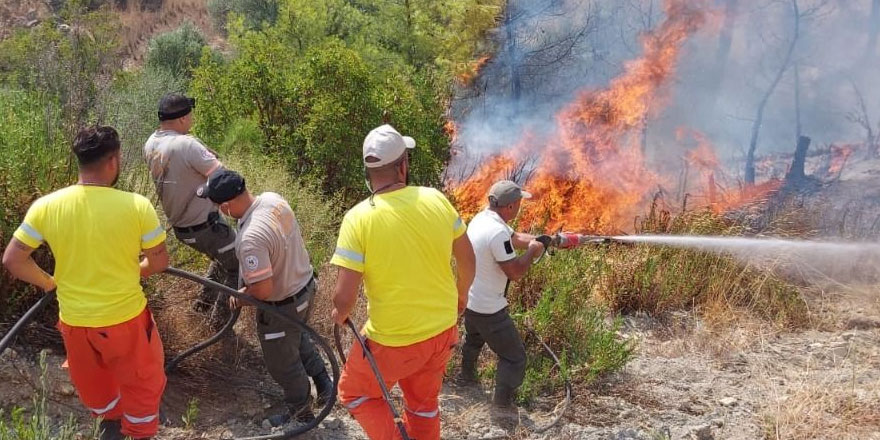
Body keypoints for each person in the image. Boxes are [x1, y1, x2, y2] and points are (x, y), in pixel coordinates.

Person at [2, 126, 170, 440]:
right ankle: (139, 432)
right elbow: (159, 262)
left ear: (80, 161)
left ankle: (110, 424)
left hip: (76, 325)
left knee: (96, 386)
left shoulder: (46, 206)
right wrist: (128, 271)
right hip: (126, 322)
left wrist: (49, 282)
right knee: (143, 383)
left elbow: (13, 260)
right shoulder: (136, 206)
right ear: (113, 161)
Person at [330, 124, 476, 440]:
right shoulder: (436, 199)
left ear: (368, 172)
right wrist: (461, 295)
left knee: (355, 392)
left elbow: (344, 298)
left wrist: (339, 315)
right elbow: (467, 259)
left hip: (392, 340)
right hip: (441, 330)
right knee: (423, 403)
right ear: (403, 165)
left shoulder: (358, 218)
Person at [195, 169, 333, 424]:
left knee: (282, 360)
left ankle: (301, 410)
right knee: (297, 335)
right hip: (304, 287)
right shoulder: (273, 199)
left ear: (225, 205)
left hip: (282, 304)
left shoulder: (251, 239)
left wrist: (242, 295)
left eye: (216, 204)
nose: (215, 209)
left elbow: (263, 289)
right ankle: (325, 385)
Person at [143, 93, 237, 328]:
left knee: (222, 258)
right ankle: (219, 327)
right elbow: (221, 176)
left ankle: (201, 310)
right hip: (205, 225)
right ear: (183, 118)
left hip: (183, 228)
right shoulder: (186, 144)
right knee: (238, 265)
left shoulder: (151, 143)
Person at [457, 180, 545, 416]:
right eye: (518, 204)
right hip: (490, 310)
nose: (519, 208)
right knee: (514, 356)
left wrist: (544, 239)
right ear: (510, 207)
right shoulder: (496, 232)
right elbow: (515, 272)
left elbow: (514, 237)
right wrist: (532, 252)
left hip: (472, 302)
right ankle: (502, 407)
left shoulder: (482, 219)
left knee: (473, 341)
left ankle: (466, 379)